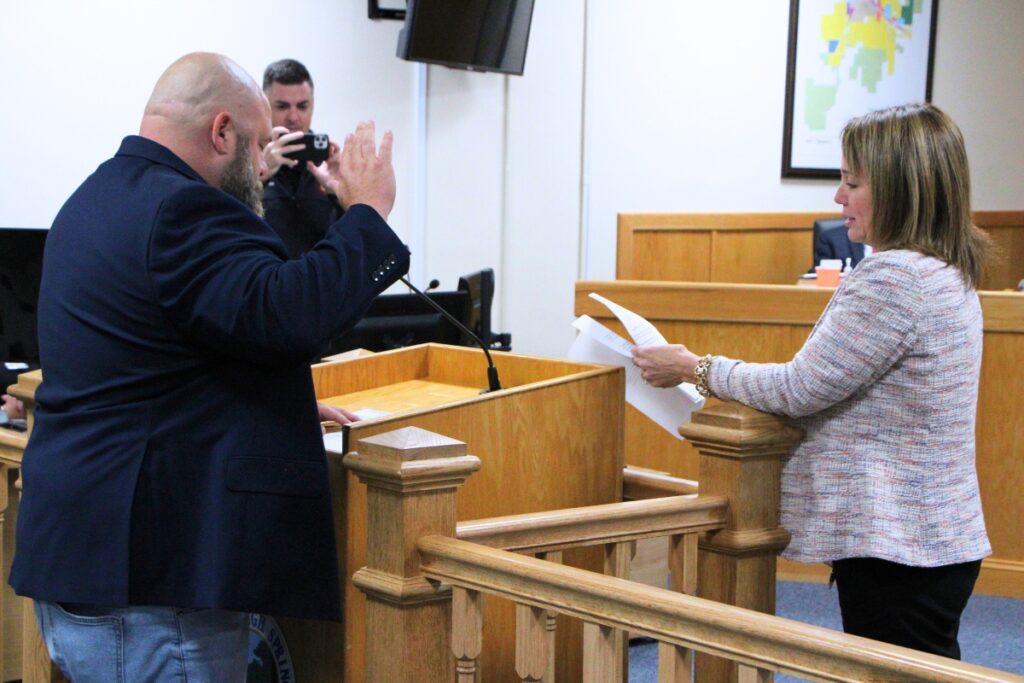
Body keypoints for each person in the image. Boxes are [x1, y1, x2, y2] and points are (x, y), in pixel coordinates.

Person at [9, 52, 409, 682]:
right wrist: (367, 213)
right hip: (152, 589)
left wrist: (274, 404)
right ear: (221, 131)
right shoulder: (183, 209)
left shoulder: (91, 200)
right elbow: (288, 311)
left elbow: (158, 354)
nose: (261, 166)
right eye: (254, 145)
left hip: (88, 564)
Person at [632, 103, 992, 660]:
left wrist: (693, 368)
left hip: (898, 541)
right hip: (928, 534)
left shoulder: (895, 278)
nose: (838, 198)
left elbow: (798, 389)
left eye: (852, 182)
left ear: (900, 188)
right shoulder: (942, 270)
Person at [260, 58, 343, 258]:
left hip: (321, 283)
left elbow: (351, 244)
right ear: (264, 105)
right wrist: (259, 177)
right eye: (282, 106)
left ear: (312, 105)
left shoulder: (328, 164)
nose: (294, 117)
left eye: (302, 106)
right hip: (265, 281)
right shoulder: (245, 162)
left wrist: (340, 194)